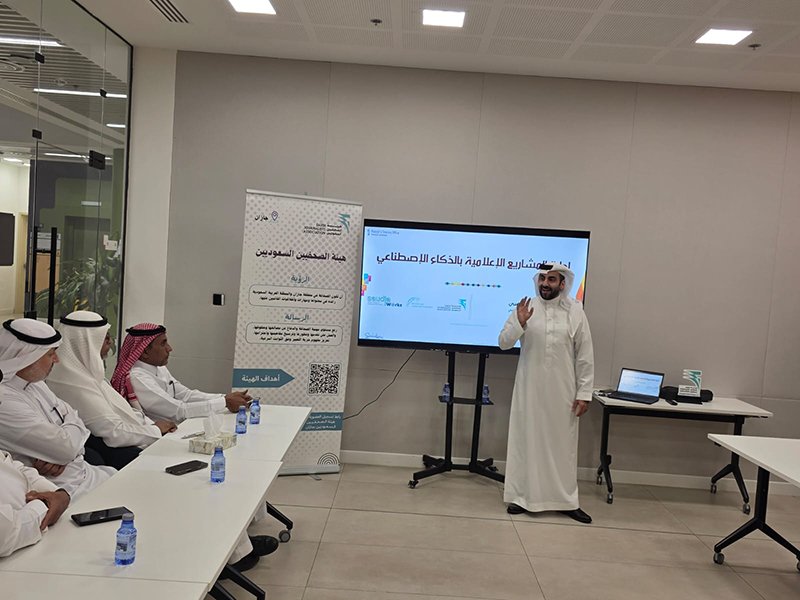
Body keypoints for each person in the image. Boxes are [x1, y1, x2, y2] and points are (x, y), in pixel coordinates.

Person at [498, 263, 595, 524]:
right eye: (542, 278)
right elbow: (503, 342)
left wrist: (584, 393)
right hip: (529, 390)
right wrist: (519, 323)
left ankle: (566, 501)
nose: (545, 284)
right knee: (526, 442)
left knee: (563, 446)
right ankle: (521, 497)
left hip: (564, 392)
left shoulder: (575, 311)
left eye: (552, 279)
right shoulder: (526, 308)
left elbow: (585, 355)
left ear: (563, 284)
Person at [0, 318, 115, 500]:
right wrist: (68, 445)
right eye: (50, 354)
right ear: (27, 357)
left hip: (85, 475)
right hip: (60, 491)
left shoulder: (36, 383)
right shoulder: (5, 401)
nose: (57, 359)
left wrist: (67, 446)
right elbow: (66, 448)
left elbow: (76, 423)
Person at [47, 311, 177, 469]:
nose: (110, 342)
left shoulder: (90, 376)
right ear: (86, 342)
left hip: (141, 439)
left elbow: (129, 414)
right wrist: (156, 430)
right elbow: (113, 432)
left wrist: (155, 427)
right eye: (104, 338)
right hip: (125, 454)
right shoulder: (72, 384)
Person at [111, 323, 250, 423]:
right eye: (163, 344)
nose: (169, 348)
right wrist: (224, 402)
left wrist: (225, 397)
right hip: (158, 439)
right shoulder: (137, 378)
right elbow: (179, 411)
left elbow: (186, 395)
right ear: (145, 351)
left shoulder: (159, 368)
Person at [0, 364, 71, 557]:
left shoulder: (37, 387)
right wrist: (44, 505)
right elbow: (6, 535)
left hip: (36, 541)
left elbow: (14, 466)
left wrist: (58, 494)